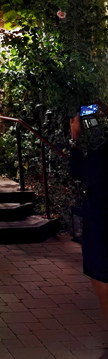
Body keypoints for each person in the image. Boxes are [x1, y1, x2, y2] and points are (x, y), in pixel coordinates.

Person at [69, 103, 108, 323]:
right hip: (98, 224)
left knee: (103, 286)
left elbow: (77, 171)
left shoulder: (99, 155)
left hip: (100, 226)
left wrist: (75, 138)